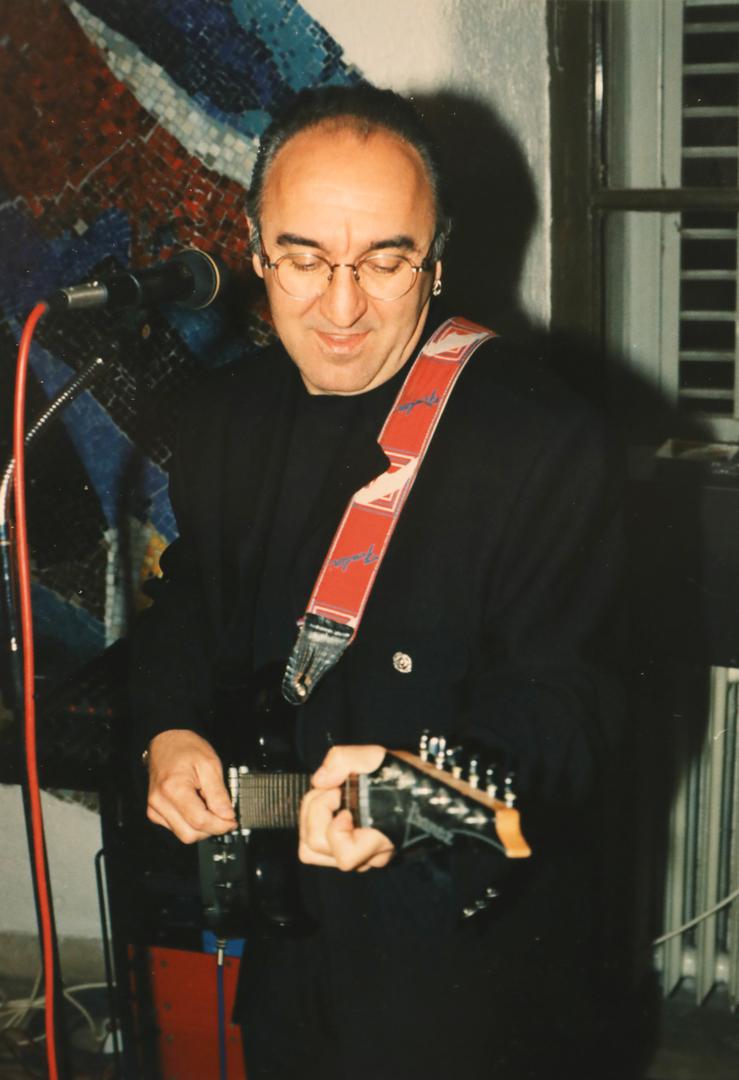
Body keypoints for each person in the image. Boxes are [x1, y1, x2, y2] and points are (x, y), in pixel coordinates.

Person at [131, 84, 624, 1079]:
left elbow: (571, 703)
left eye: (386, 261)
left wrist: (420, 789)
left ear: (435, 263)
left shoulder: (542, 438)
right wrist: (167, 728)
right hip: (290, 939)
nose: (342, 306)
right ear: (255, 251)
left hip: (473, 959)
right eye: (304, 257)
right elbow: (193, 598)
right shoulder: (225, 417)